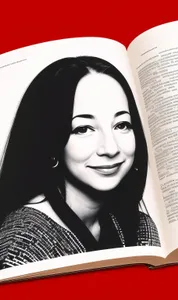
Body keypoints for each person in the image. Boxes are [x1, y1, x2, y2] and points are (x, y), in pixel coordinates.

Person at [0, 56, 160, 269]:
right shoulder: (23, 247)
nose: (110, 149)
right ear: (52, 141)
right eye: (83, 129)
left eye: (121, 125)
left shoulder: (139, 226)